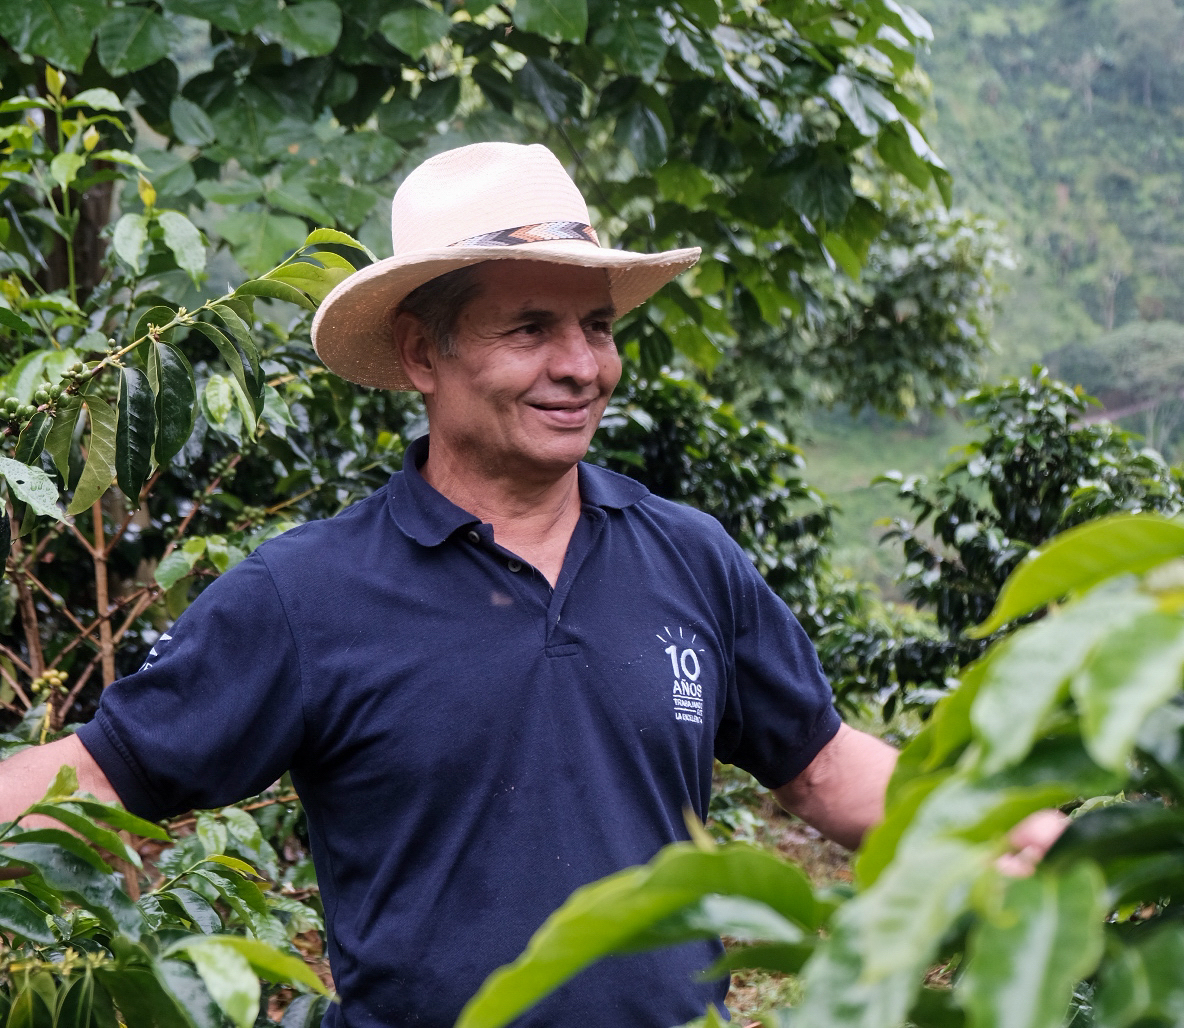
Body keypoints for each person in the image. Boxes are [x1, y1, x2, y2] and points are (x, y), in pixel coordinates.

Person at [0, 142, 1040, 1027]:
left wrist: (1009, 832)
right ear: (421, 352)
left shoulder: (686, 554)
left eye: (595, 326)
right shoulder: (306, 595)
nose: (580, 364)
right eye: (529, 327)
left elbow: (817, 764)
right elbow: (102, 775)